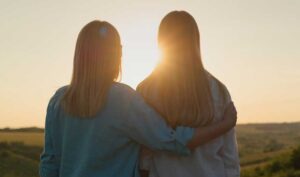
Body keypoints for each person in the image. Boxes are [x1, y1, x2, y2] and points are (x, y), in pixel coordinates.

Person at [39, 20, 237, 177]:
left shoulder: (58, 101)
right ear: (115, 55)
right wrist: (224, 124)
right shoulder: (122, 100)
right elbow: (172, 141)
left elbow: (50, 163)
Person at [137, 11, 240, 177]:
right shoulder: (219, 91)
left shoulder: (146, 91)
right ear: (195, 41)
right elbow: (229, 158)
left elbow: (144, 158)